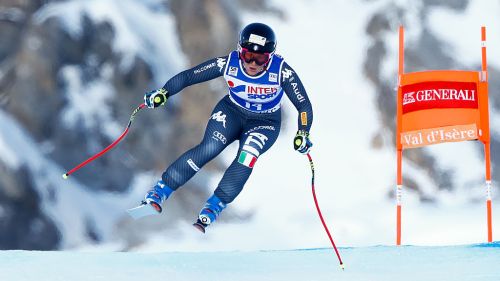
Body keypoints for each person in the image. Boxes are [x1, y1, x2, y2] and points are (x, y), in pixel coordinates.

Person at [142, 22, 313, 233]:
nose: (252, 63)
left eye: (260, 58)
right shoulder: (228, 63)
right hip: (232, 112)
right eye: (248, 55)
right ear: (240, 51)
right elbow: (189, 76)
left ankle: (215, 205)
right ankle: (161, 190)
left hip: (265, 122)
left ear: (270, 57)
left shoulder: (281, 71)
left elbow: (303, 104)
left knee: (248, 155)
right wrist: (164, 92)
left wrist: (303, 132)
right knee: (210, 148)